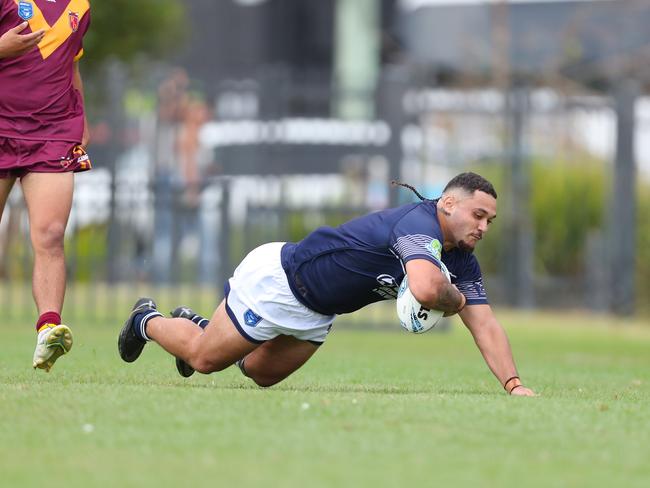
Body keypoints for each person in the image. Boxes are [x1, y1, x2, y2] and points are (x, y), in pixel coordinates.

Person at [118, 172, 535, 396]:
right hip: (282, 281)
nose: (483, 226)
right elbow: (427, 290)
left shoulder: (461, 258)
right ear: (448, 203)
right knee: (205, 361)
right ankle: (146, 320)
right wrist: (455, 297)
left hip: (318, 312)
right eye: (478, 215)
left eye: (489, 221)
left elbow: (485, 325)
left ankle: (205, 327)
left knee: (259, 375)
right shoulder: (418, 224)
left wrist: (513, 385)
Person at [0, 1, 92, 371]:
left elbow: (71, 64)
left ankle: (49, 329)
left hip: (53, 131)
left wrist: (82, 116)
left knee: (52, 234)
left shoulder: (80, 5)